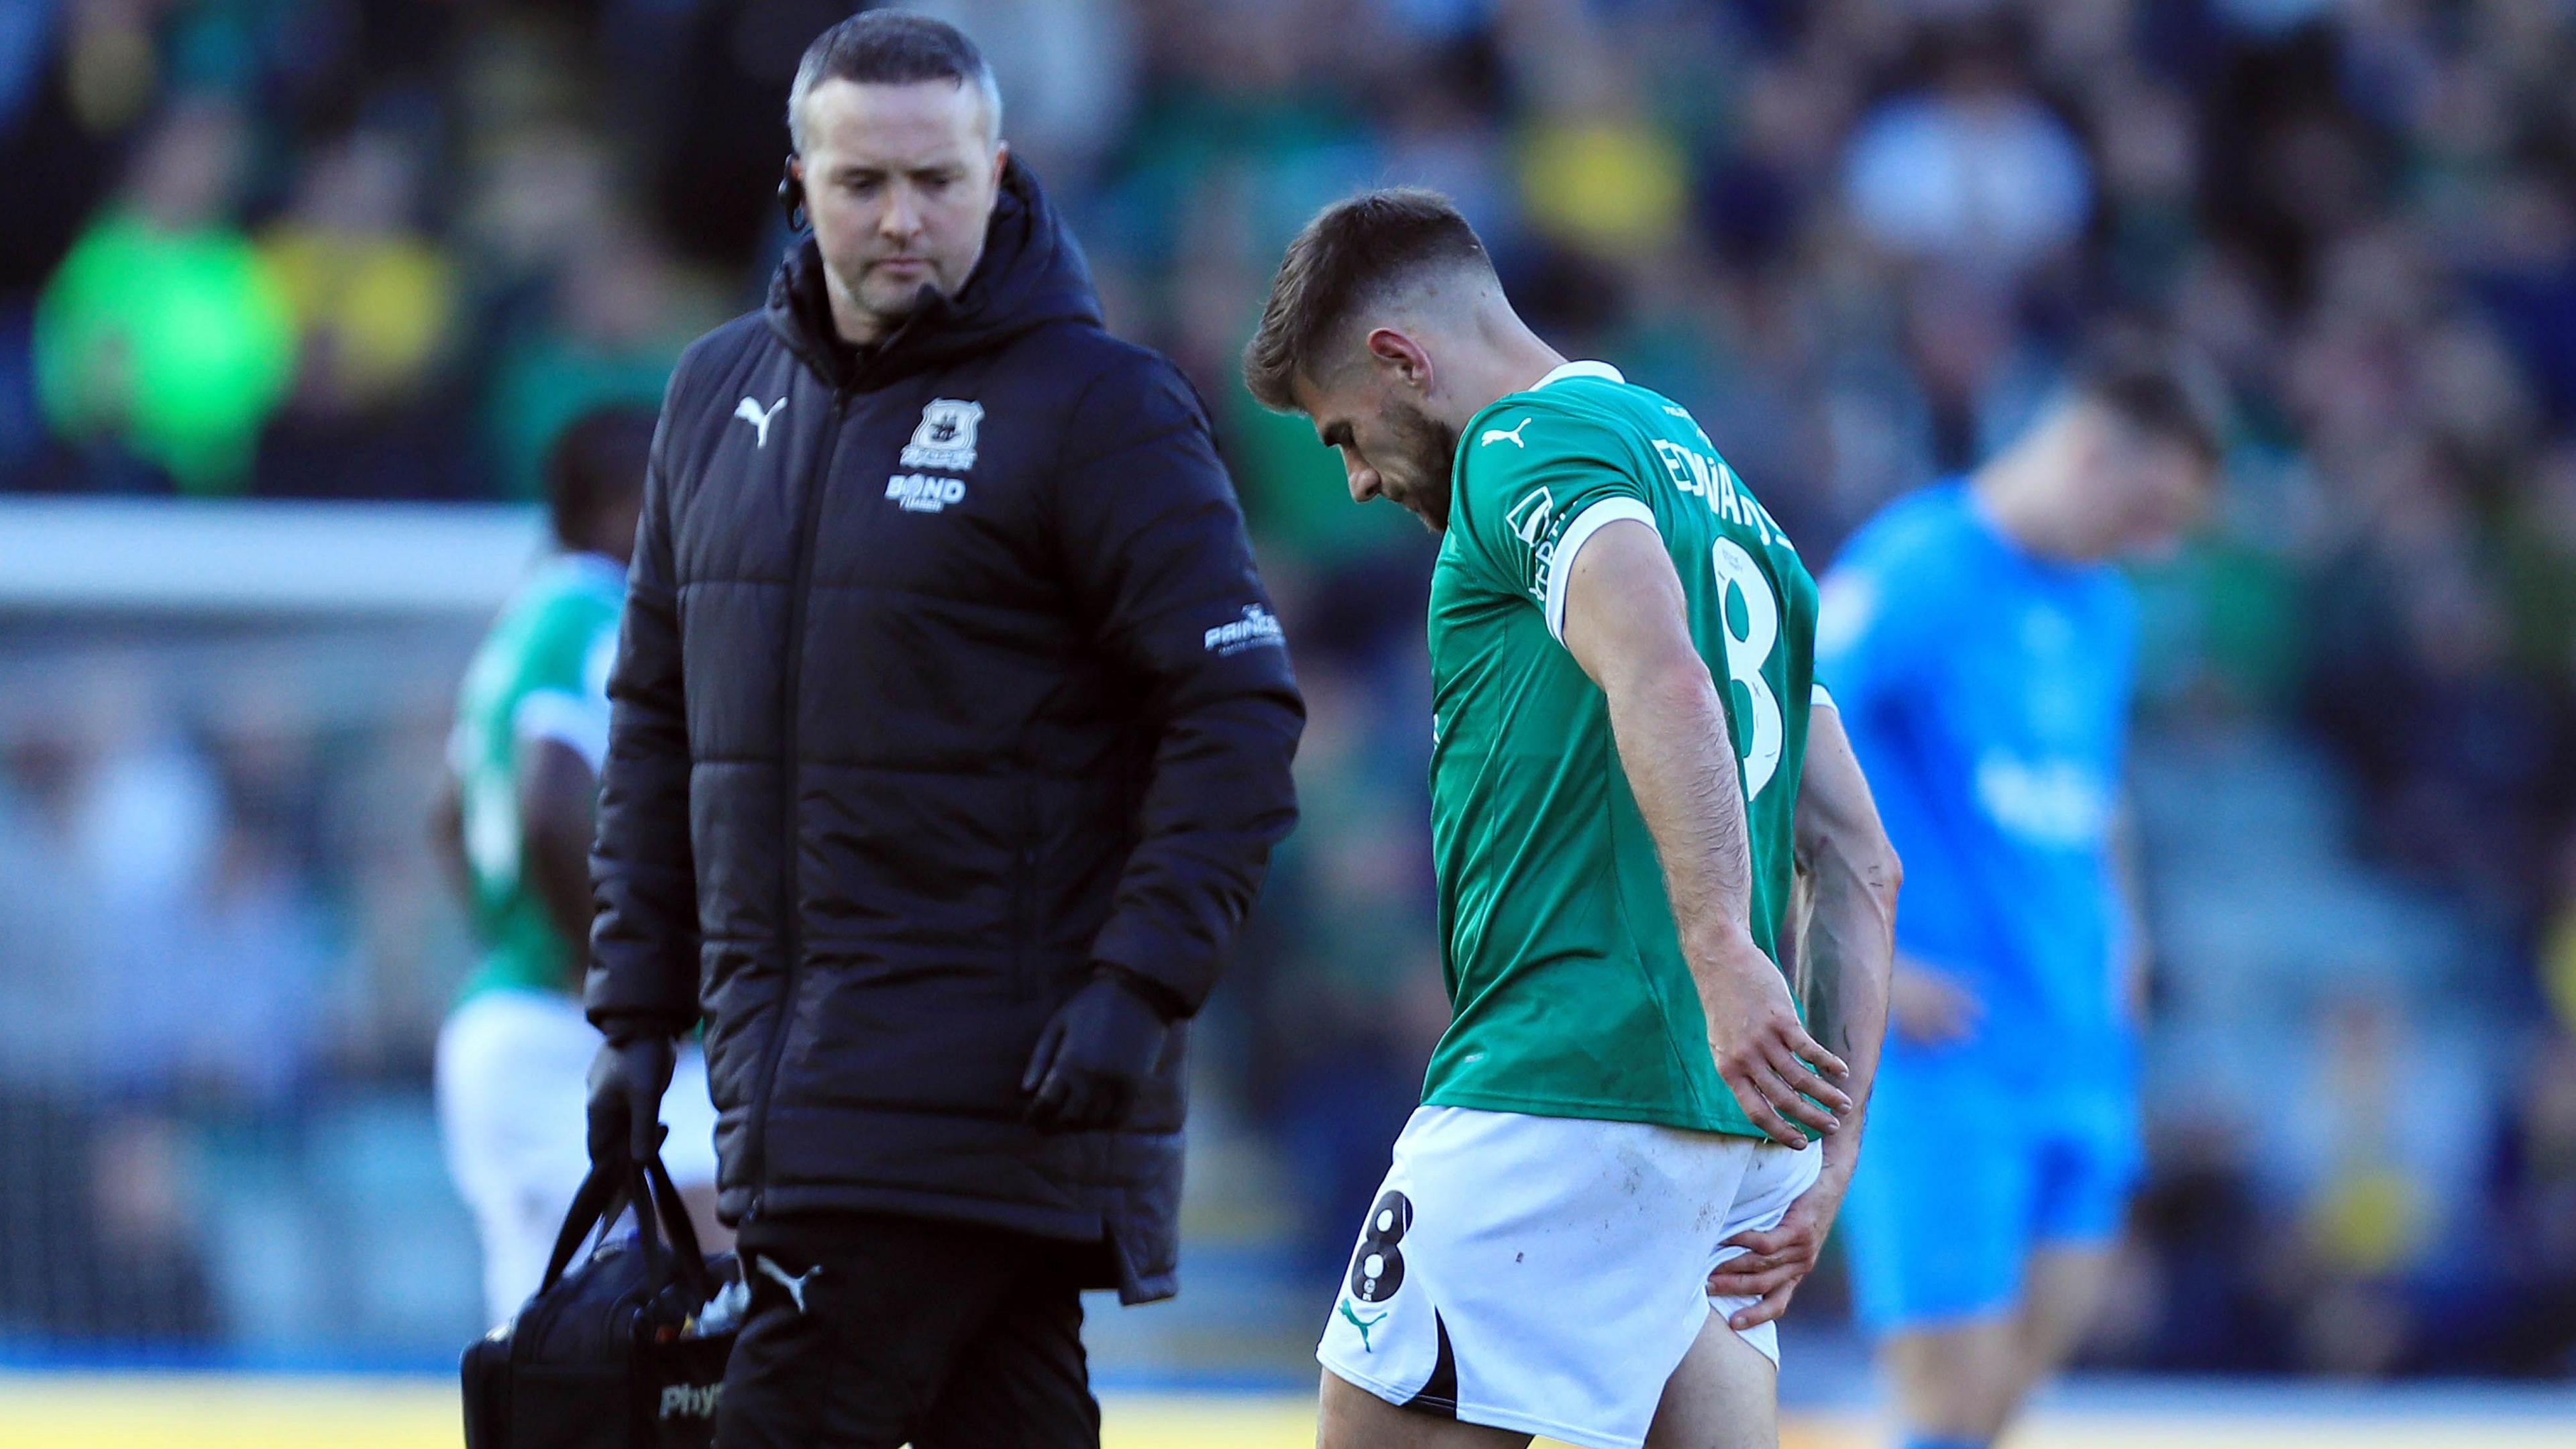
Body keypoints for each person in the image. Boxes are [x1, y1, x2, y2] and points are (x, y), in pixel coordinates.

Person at [579, 14, 1303, 1449]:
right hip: (800, 1096)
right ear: (799, 182)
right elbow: (658, 723)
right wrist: (632, 1017)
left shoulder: (1102, 408)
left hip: (972, 1094)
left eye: (938, 180)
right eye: (862, 185)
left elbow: (1237, 710)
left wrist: (1139, 985)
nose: (902, 218)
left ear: (1001, 172)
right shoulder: (715, 398)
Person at [1244, 188, 1898, 1449]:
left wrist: (1717, 950)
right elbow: (1861, 860)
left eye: (1344, 435)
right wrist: (1833, 1154)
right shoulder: (1727, 502)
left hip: (1570, 1082)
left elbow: (1661, 669)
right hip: (1733, 1139)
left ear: (1400, 359)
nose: (1361, 478)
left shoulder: (1520, 449)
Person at [1817, 336, 2224, 1449]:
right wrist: (1849, 960)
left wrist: (2123, 931)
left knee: (1995, 1408)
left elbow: (2095, 791)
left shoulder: (2103, 610)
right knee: (1945, 1402)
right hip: (1947, 1056)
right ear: (2090, 451)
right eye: (2150, 508)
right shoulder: (1914, 571)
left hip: (2077, 1043)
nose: (2159, 543)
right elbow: (1768, 749)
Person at [433, 405, 724, 1329]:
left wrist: (524, 940)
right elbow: (550, 801)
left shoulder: (530, 618)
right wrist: (611, 977)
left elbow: (446, 817)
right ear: (625, 503)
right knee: (726, 1267)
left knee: (553, 1361)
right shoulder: (600, 612)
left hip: (509, 1018)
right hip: (569, 1036)